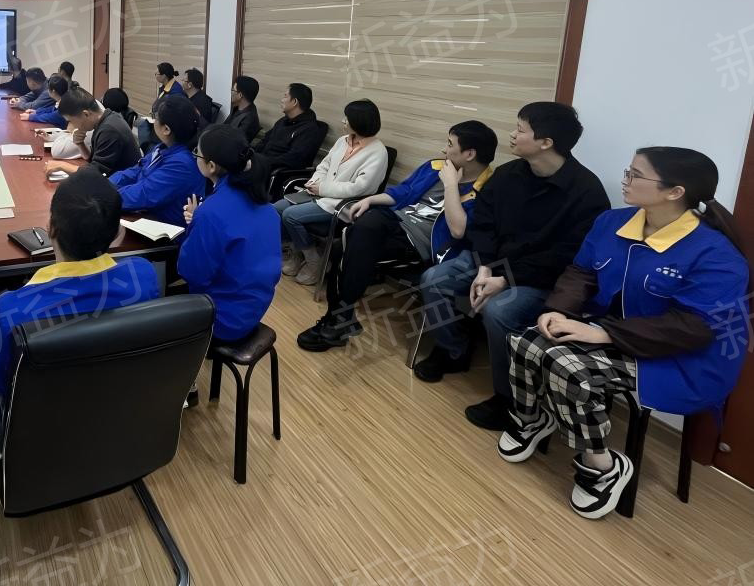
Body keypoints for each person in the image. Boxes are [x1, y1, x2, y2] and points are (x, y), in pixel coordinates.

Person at [497, 147, 748, 520]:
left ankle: (602, 466)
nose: (625, 180)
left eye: (635, 175)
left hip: (681, 359)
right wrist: (557, 310)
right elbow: (582, 272)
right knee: (528, 340)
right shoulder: (613, 221)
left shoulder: (716, 255)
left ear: (674, 192)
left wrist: (604, 334)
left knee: (568, 366)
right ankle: (533, 419)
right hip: (617, 332)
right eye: (628, 171)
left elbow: (694, 327)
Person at [415, 102, 610, 432]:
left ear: (546, 142)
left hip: (540, 276)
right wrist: (485, 267)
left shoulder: (586, 192)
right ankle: (453, 351)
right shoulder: (508, 175)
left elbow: (566, 257)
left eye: (520, 130)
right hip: (491, 260)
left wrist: (505, 279)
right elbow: (484, 224)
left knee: (499, 310)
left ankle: (511, 400)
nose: (512, 135)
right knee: (435, 278)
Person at [296, 121, 497, 351]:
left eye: (450, 144)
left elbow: (458, 230)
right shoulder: (435, 167)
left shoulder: (487, 189)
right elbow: (403, 192)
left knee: (347, 242)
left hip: (419, 244)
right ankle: (338, 320)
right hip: (394, 223)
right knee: (351, 238)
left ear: (469, 154)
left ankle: (338, 320)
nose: (444, 149)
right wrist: (370, 199)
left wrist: (451, 185)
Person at [0, 168, 161, 401]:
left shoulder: (11, 310)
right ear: (118, 234)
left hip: (41, 418)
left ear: (50, 227)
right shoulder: (143, 275)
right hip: (121, 405)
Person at [179, 125, 281, 341]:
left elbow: (193, 273)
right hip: (252, 309)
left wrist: (197, 223)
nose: (195, 157)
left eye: (197, 153)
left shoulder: (211, 213)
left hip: (220, 319)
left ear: (211, 166)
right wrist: (200, 220)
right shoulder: (268, 209)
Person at [274, 100, 389, 286]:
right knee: (277, 208)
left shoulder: (378, 152)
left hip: (344, 204)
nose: (343, 121)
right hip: (320, 194)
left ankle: (314, 261)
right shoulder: (342, 141)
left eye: (347, 118)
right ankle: (296, 252)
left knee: (290, 215)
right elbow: (324, 165)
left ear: (360, 121)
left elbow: (360, 188)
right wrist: (315, 182)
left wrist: (323, 188)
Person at [110, 96, 205, 227]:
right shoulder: (164, 147)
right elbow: (136, 171)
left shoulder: (182, 164)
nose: (152, 121)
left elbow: (144, 194)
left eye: (155, 117)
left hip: (165, 230)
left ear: (166, 129)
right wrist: (106, 184)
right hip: (147, 216)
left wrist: (105, 196)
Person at [44, 87, 141, 178]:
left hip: (122, 184)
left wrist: (62, 166)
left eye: (71, 121)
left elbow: (96, 173)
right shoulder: (106, 118)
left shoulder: (108, 130)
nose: (73, 126)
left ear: (86, 114)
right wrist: (80, 144)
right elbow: (95, 161)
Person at [253, 83, 323, 174]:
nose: (282, 100)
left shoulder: (309, 130)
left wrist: (262, 162)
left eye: (285, 96)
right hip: (259, 164)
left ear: (294, 102)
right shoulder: (283, 121)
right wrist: (252, 156)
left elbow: (293, 159)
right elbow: (265, 140)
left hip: (274, 171)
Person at [137, 62, 186, 150]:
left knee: (146, 132)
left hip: (167, 125)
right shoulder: (164, 86)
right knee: (142, 125)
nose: (155, 76)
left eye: (157, 74)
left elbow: (173, 111)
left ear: (164, 76)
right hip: (159, 119)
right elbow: (159, 101)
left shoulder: (176, 91)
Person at [225, 76, 261, 143]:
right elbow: (223, 127)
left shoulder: (250, 118)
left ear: (240, 95)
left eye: (233, 90)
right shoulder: (237, 108)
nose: (231, 93)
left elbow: (234, 141)